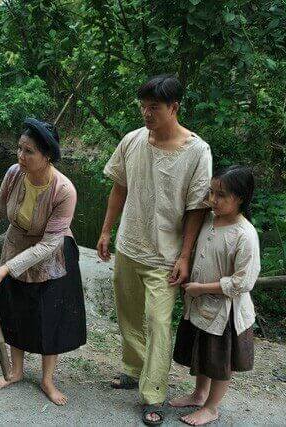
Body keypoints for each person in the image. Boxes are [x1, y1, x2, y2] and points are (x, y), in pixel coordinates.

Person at [96, 74, 212, 425]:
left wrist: (185, 255)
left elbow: (197, 208)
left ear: (174, 108)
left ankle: (153, 394)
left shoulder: (197, 151)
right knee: (129, 314)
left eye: (154, 108)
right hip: (130, 244)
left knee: (158, 321)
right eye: (143, 107)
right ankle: (133, 368)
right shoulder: (132, 140)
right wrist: (105, 231)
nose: (146, 114)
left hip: (166, 253)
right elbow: (119, 187)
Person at [0, 118, 86, 406]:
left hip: (52, 257)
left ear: (47, 155)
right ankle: (15, 371)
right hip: (16, 244)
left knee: (47, 318)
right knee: (16, 311)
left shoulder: (64, 190)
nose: (20, 156)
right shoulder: (15, 173)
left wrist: (7, 268)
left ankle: (47, 379)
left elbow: (49, 244)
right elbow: (0, 210)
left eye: (29, 152)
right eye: (19, 149)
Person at [170, 166, 259, 426]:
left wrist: (202, 287)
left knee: (220, 362)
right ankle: (199, 394)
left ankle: (212, 407)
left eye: (221, 195)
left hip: (226, 314)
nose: (213, 200)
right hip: (200, 304)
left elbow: (243, 282)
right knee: (203, 352)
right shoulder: (209, 219)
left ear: (240, 198)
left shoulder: (245, 235)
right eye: (211, 192)